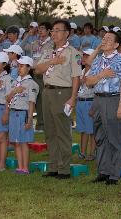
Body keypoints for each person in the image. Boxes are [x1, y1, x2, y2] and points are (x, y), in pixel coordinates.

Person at [35, 19, 82, 180]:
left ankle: (64, 168)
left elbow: (76, 77)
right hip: (47, 91)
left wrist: (73, 98)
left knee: (62, 131)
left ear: (66, 33)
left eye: (57, 30)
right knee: (50, 131)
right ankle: (53, 165)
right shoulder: (48, 51)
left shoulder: (72, 52)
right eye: (52, 31)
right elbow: (37, 69)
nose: (53, 33)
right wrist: (52, 61)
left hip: (63, 92)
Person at [86, 30, 121, 185]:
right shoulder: (98, 60)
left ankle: (114, 174)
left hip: (113, 99)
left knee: (114, 137)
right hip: (98, 99)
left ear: (116, 44)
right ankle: (103, 171)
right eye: (103, 38)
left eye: (108, 39)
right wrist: (102, 75)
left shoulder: (120, 60)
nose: (104, 41)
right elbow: (89, 81)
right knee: (99, 137)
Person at [5, 56, 39, 174]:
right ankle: (20, 166)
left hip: (23, 114)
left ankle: (25, 167)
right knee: (16, 141)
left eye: (22, 66)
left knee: (23, 142)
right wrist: (14, 91)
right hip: (13, 113)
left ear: (28, 68)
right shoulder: (15, 82)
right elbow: (8, 98)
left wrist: (29, 119)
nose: (19, 68)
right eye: (18, 66)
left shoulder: (32, 84)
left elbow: (31, 103)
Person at [31, 22, 52, 133]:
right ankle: (40, 124)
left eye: (43, 28)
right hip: (35, 73)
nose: (40, 30)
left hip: (46, 74)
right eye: (39, 28)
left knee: (46, 99)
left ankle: (46, 124)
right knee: (37, 99)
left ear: (49, 31)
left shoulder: (52, 44)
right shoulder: (34, 43)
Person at [74, 49, 96, 161]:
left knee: (91, 130)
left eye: (87, 56)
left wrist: (85, 81)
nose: (83, 58)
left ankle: (92, 153)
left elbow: (93, 87)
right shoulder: (82, 71)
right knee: (83, 129)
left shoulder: (94, 72)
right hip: (81, 101)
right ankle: (82, 152)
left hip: (89, 101)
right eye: (83, 56)